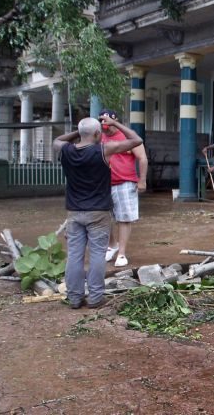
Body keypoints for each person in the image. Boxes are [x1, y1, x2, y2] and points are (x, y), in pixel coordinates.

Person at [53, 113, 141, 310]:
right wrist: (115, 123)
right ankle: (95, 298)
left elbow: (57, 140)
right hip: (99, 213)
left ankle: (74, 298)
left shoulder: (66, 150)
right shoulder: (103, 150)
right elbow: (136, 140)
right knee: (96, 255)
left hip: (74, 213)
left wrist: (80, 130)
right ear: (96, 133)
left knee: (74, 256)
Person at [99, 109, 149, 268]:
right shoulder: (99, 137)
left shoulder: (127, 136)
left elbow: (142, 158)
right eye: (102, 122)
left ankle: (121, 253)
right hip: (103, 184)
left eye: (108, 122)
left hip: (125, 182)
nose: (105, 125)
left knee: (124, 218)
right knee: (103, 217)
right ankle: (112, 245)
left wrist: (142, 180)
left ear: (115, 120)